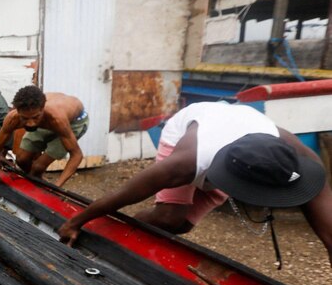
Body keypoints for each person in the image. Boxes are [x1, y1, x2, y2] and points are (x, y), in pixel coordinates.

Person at [56, 101, 332, 266]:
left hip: (239, 136)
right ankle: (124, 236)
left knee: (184, 225)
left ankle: (148, 241)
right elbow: (123, 194)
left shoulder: (299, 161)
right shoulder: (183, 163)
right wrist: (74, 223)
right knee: (168, 216)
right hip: (189, 131)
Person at [0, 85, 87, 188]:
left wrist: (57, 187)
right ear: (17, 111)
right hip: (46, 120)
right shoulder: (13, 118)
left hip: (74, 122)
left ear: (42, 109)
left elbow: (77, 155)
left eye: (35, 117)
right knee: (21, 159)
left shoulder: (57, 119)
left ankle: (37, 182)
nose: (30, 124)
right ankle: (37, 181)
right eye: (24, 118)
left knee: (38, 167)